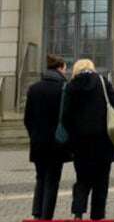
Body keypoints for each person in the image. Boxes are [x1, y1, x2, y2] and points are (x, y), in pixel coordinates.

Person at [62, 59, 114, 220]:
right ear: (92, 68)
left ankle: (78, 212)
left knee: (82, 179)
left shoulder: (71, 86)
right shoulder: (102, 82)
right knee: (101, 181)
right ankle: (97, 215)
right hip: (103, 141)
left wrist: (72, 135)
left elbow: (65, 115)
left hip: (80, 143)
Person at [24, 54, 70, 221]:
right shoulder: (65, 88)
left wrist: (34, 135)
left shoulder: (34, 88)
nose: (66, 71)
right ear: (60, 68)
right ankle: (46, 217)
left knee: (40, 178)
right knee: (52, 181)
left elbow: (27, 119)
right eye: (65, 68)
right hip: (56, 143)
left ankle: (37, 213)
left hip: (38, 142)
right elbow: (67, 117)